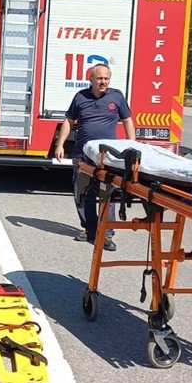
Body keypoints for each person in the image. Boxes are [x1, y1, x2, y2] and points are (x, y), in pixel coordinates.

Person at [53, 64, 136, 252]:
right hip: (82, 154)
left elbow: (128, 120)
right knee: (82, 192)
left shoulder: (117, 97)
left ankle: (107, 233)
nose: (104, 82)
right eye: (100, 78)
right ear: (91, 79)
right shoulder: (80, 97)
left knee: (108, 194)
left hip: (108, 157)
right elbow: (69, 121)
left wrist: (132, 144)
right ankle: (89, 229)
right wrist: (60, 145)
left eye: (106, 78)